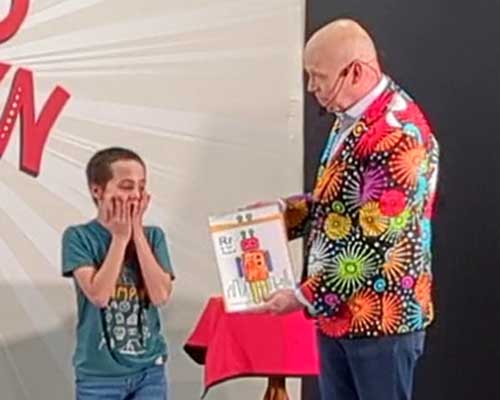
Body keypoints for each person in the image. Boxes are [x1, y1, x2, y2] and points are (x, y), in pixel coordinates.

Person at [258, 19, 440, 400]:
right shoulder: (352, 119)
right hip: (338, 313)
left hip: (380, 318)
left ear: (355, 71)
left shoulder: (398, 134)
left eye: (317, 76)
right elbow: (339, 208)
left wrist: (302, 297)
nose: (311, 87)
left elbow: (376, 245)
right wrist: (280, 214)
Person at [61, 147, 175, 400]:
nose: (135, 195)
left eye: (141, 187)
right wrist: (120, 238)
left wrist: (136, 232)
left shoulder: (154, 236)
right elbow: (99, 295)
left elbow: (160, 296)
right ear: (97, 190)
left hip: (149, 372)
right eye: (126, 186)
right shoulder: (78, 237)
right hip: (98, 377)